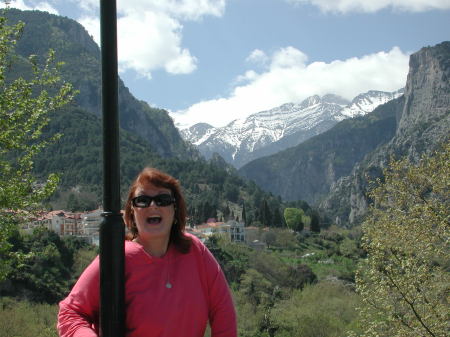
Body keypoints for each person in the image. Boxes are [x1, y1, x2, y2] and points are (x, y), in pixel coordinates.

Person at [57, 167, 237, 337]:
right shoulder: (117, 258)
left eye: (163, 200)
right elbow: (70, 312)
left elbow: (223, 313)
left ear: (175, 209)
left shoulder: (196, 251)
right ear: (132, 211)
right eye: (142, 200)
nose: (153, 206)